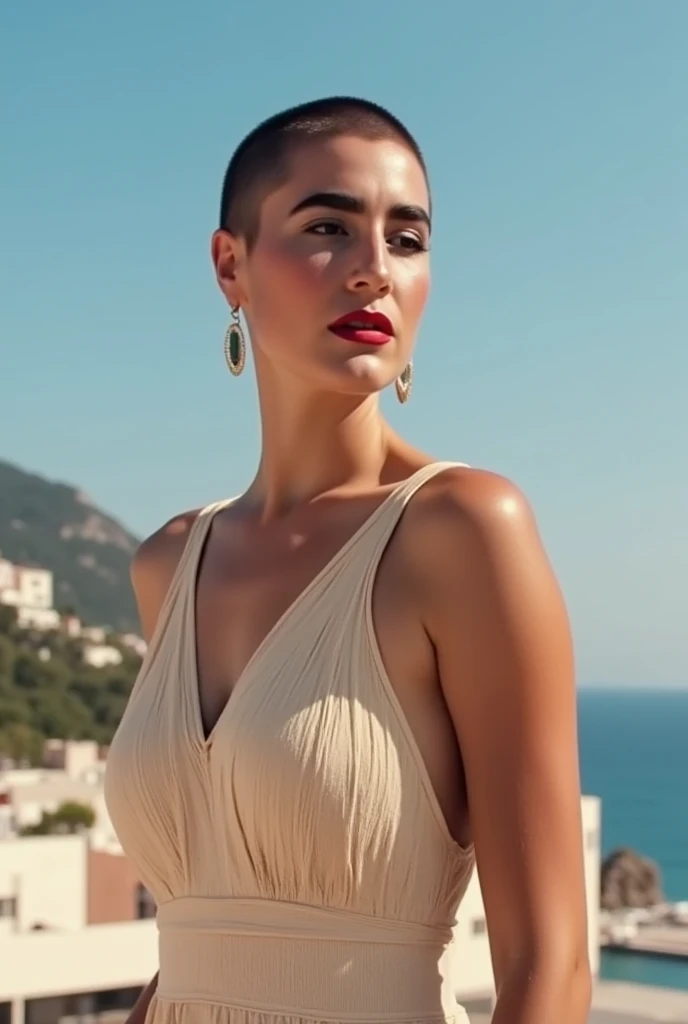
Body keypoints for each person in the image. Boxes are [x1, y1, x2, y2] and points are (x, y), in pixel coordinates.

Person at [104, 96, 591, 1024]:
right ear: (230, 264)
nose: (374, 270)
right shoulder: (168, 562)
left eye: (407, 240)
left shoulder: (462, 529)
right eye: (328, 227)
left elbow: (552, 968)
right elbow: (196, 947)